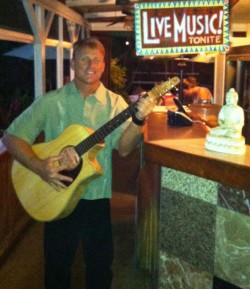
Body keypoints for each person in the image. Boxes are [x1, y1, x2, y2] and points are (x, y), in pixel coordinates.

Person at [2, 37, 156, 289]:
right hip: (56, 195)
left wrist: (139, 120)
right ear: (73, 63)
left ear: (104, 65)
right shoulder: (51, 101)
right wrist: (39, 166)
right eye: (84, 58)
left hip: (97, 200)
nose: (90, 65)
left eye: (96, 59)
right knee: (56, 270)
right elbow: (11, 136)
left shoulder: (116, 104)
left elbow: (125, 149)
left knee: (100, 271)